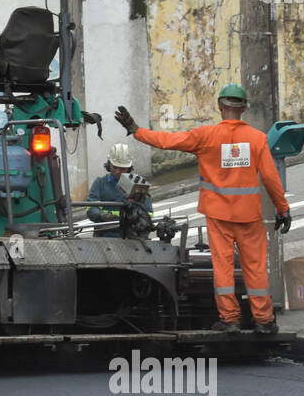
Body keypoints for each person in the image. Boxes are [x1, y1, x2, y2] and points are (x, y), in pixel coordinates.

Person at [116, 84, 291, 334]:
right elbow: (272, 179)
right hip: (248, 216)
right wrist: (282, 209)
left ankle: (229, 320)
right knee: (255, 268)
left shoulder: (205, 136)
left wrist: (136, 131)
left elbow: (168, 141)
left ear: (220, 107)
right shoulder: (257, 139)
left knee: (223, 267)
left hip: (219, 215)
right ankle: (264, 320)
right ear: (243, 108)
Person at [85, 143, 152, 238]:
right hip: (105, 235)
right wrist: (103, 216)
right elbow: (91, 208)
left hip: (132, 237)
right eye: (115, 167)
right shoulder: (100, 183)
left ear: (129, 168)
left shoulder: (139, 185)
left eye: (122, 168)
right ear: (109, 165)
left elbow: (149, 213)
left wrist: (136, 216)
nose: (117, 171)